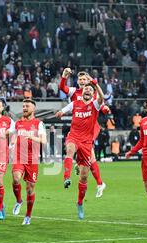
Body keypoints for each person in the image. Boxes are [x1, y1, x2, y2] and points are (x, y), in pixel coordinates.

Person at [55, 81, 105, 219]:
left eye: (90, 89)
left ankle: (80, 203)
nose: (87, 90)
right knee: (69, 150)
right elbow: (65, 109)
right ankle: (66, 178)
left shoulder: (95, 105)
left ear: (93, 93)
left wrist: (96, 84)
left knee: (84, 177)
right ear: (82, 91)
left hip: (86, 143)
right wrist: (60, 112)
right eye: (85, 89)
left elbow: (102, 98)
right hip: (74, 136)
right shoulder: (75, 103)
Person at [59, 68, 107, 198]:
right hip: (78, 127)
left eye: (84, 79)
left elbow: (99, 103)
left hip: (91, 127)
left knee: (90, 156)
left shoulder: (92, 91)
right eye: (80, 79)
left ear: (88, 80)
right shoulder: (75, 91)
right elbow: (63, 88)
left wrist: (105, 108)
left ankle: (97, 181)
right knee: (88, 156)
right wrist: (64, 77)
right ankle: (99, 183)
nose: (82, 81)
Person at [11, 99, 47, 225]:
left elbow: (44, 141)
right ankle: (19, 200)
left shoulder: (39, 124)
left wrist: (32, 137)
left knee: (30, 188)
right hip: (19, 157)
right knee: (16, 178)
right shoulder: (18, 123)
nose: (24, 108)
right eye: (23, 106)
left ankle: (28, 215)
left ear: (34, 109)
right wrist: (13, 143)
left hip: (32, 160)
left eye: (27, 106)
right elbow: (14, 136)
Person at [0, 98, 15, 220]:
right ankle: (1, 203)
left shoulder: (8, 120)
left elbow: (13, 131)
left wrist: (11, 144)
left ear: (2, 108)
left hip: (1, 155)